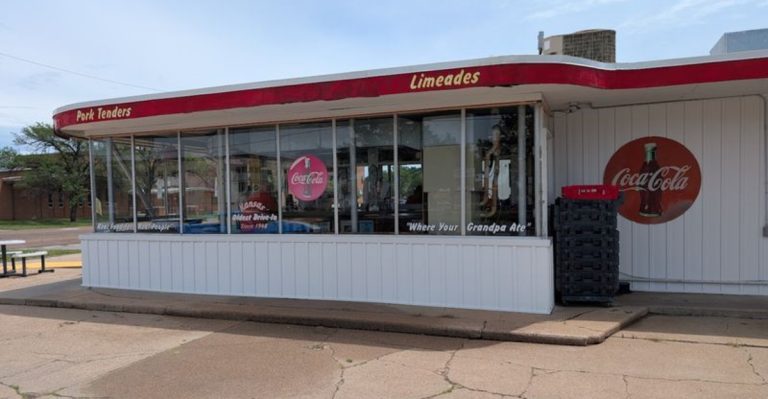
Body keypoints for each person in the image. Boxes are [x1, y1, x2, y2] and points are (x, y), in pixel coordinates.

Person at [481, 124, 502, 217]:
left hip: (495, 183)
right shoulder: (489, 153)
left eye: (497, 135)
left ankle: (493, 209)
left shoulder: (498, 151)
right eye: (494, 135)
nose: (495, 138)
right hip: (492, 183)